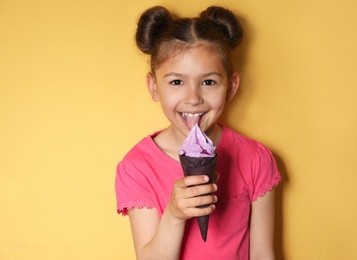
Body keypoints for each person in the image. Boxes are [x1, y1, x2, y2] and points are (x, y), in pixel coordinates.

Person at [115, 5, 281, 260]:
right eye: (176, 82)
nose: (193, 98)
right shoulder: (137, 168)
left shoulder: (256, 159)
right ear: (154, 86)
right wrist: (174, 214)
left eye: (208, 82)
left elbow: (262, 254)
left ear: (230, 87)